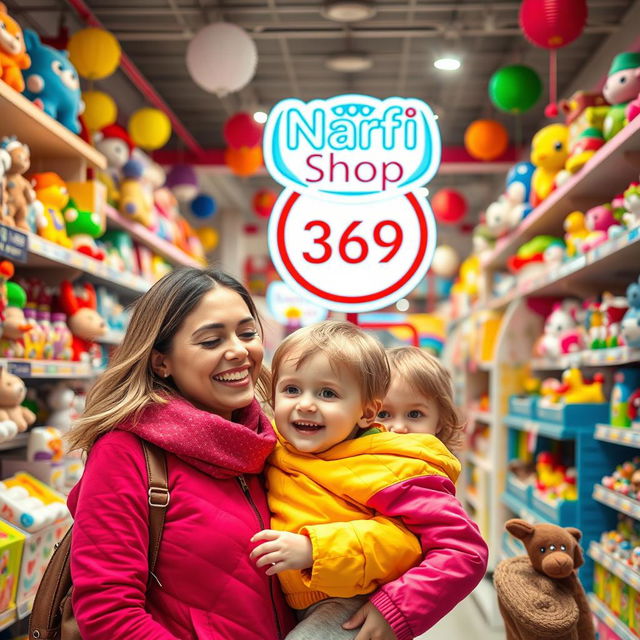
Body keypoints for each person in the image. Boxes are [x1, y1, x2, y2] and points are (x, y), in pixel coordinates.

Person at [65, 268, 295, 639]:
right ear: (161, 362)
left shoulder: (272, 443)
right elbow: (108, 614)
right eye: (210, 341)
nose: (238, 350)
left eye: (247, 333)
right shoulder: (124, 452)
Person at [250, 321, 488, 640]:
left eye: (327, 393)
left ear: (365, 413)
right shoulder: (276, 444)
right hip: (290, 598)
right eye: (292, 389)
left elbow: (464, 550)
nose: (305, 403)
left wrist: (396, 609)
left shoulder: (396, 466)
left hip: (349, 601)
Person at [377, 346, 465, 451]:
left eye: (414, 414)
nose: (399, 427)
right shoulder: (358, 460)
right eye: (383, 414)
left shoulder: (440, 465)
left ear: (439, 422)